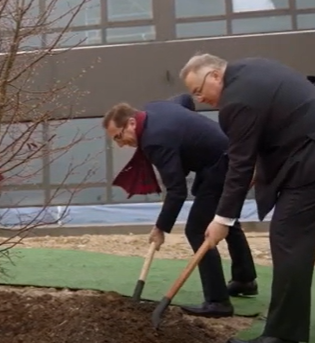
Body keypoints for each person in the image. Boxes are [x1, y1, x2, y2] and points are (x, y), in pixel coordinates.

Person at [180, 54, 315, 343]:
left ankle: (280, 337)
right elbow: (276, 126)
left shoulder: (236, 101)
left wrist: (223, 220)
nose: (200, 99)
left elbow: (239, 165)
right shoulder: (255, 68)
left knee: (288, 239)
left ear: (215, 75)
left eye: (198, 90)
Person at [102, 95, 257, 317]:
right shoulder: (156, 107)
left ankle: (218, 302)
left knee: (196, 229)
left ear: (132, 123)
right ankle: (244, 280)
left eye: (119, 136)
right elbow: (185, 101)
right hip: (229, 155)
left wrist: (160, 228)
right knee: (225, 218)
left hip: (223, 167)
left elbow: (177, 191)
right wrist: (189, 132)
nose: (120, 144)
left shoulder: (154, 141)